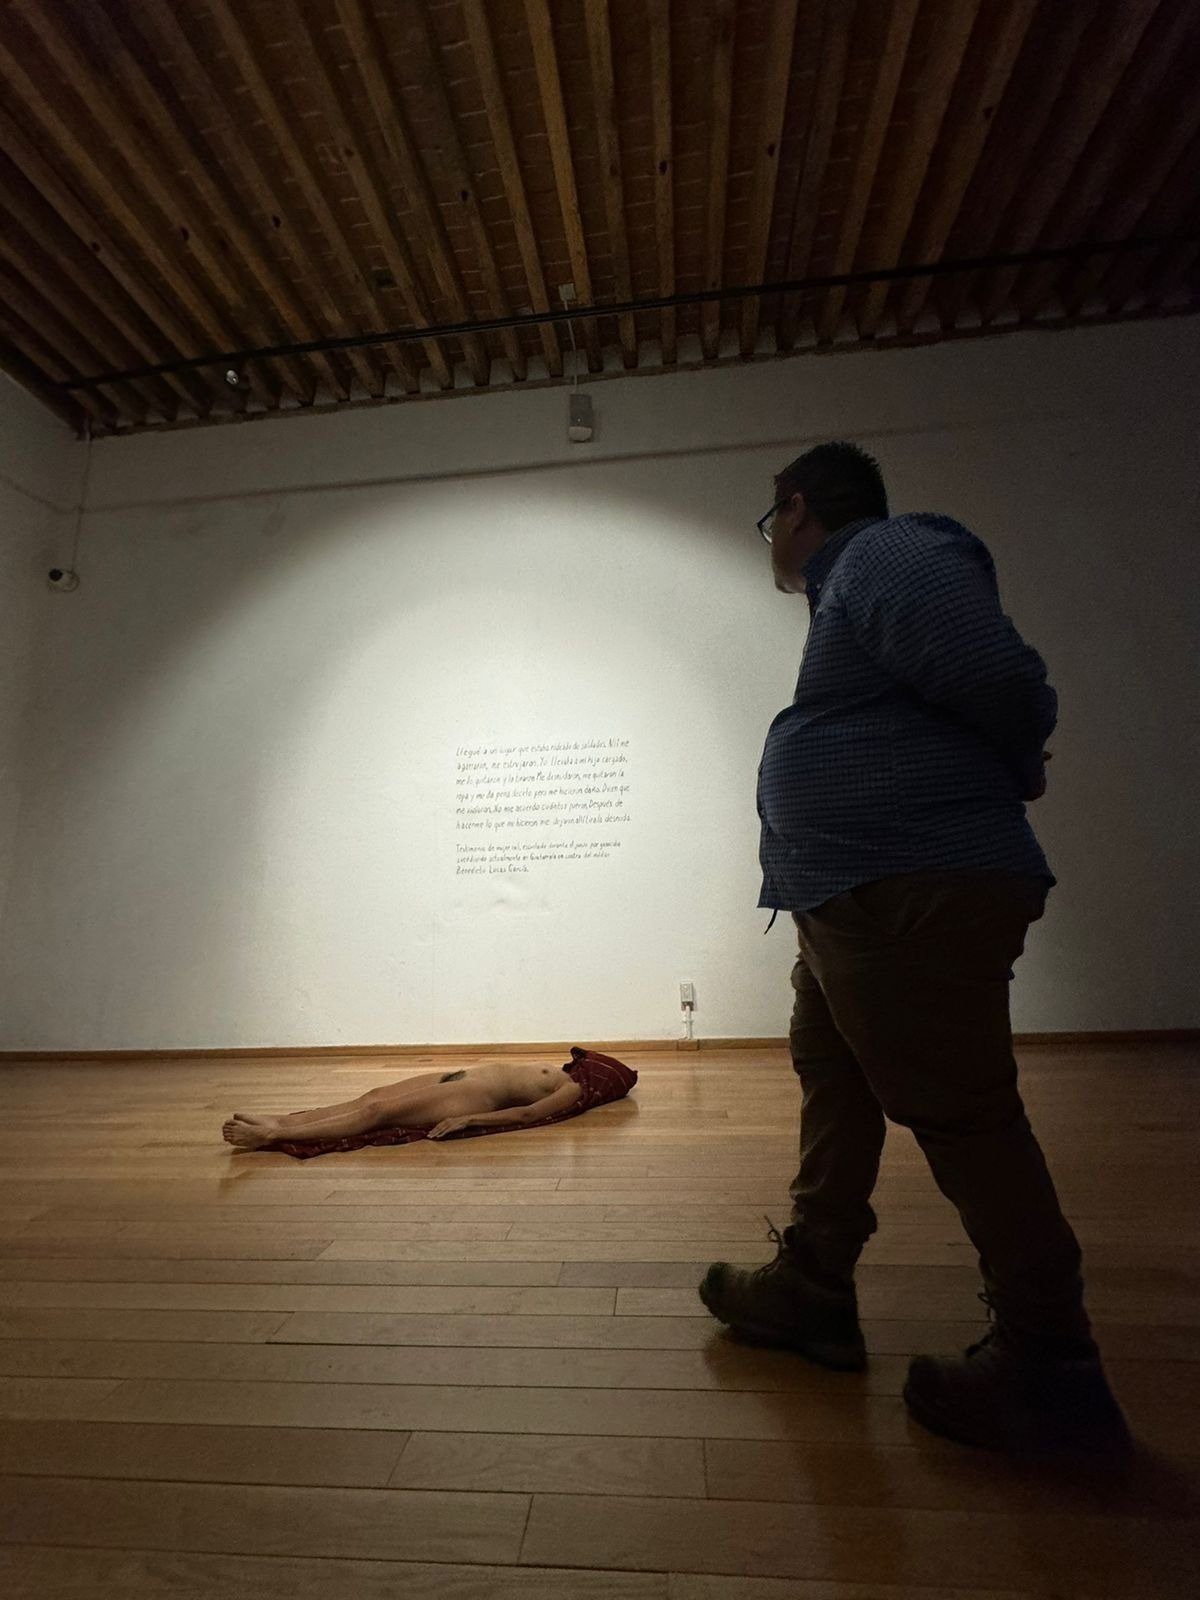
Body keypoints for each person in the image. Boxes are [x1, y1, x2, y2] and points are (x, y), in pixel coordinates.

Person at [699, 441, 1130, 1458]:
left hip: (908, 887)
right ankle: (813, 1282)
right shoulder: (850, 590)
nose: (772, 542)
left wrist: (1018, 764)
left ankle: (1051, 1362)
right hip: (852, 895)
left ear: (797, 509)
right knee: (834, 1073)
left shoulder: (889, 551)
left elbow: (1001, 677)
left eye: (771, 522)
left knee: (964, 1114)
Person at [222, 1059, 583, 1150]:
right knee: (372, 1096)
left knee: (377, 1113)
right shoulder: (563, 1068)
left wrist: (471, 1120)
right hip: (460, 1075)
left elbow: (528, 1114)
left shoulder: (572, 1088)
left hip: (474, 1095)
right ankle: (280, 1120)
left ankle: (273, 1136)